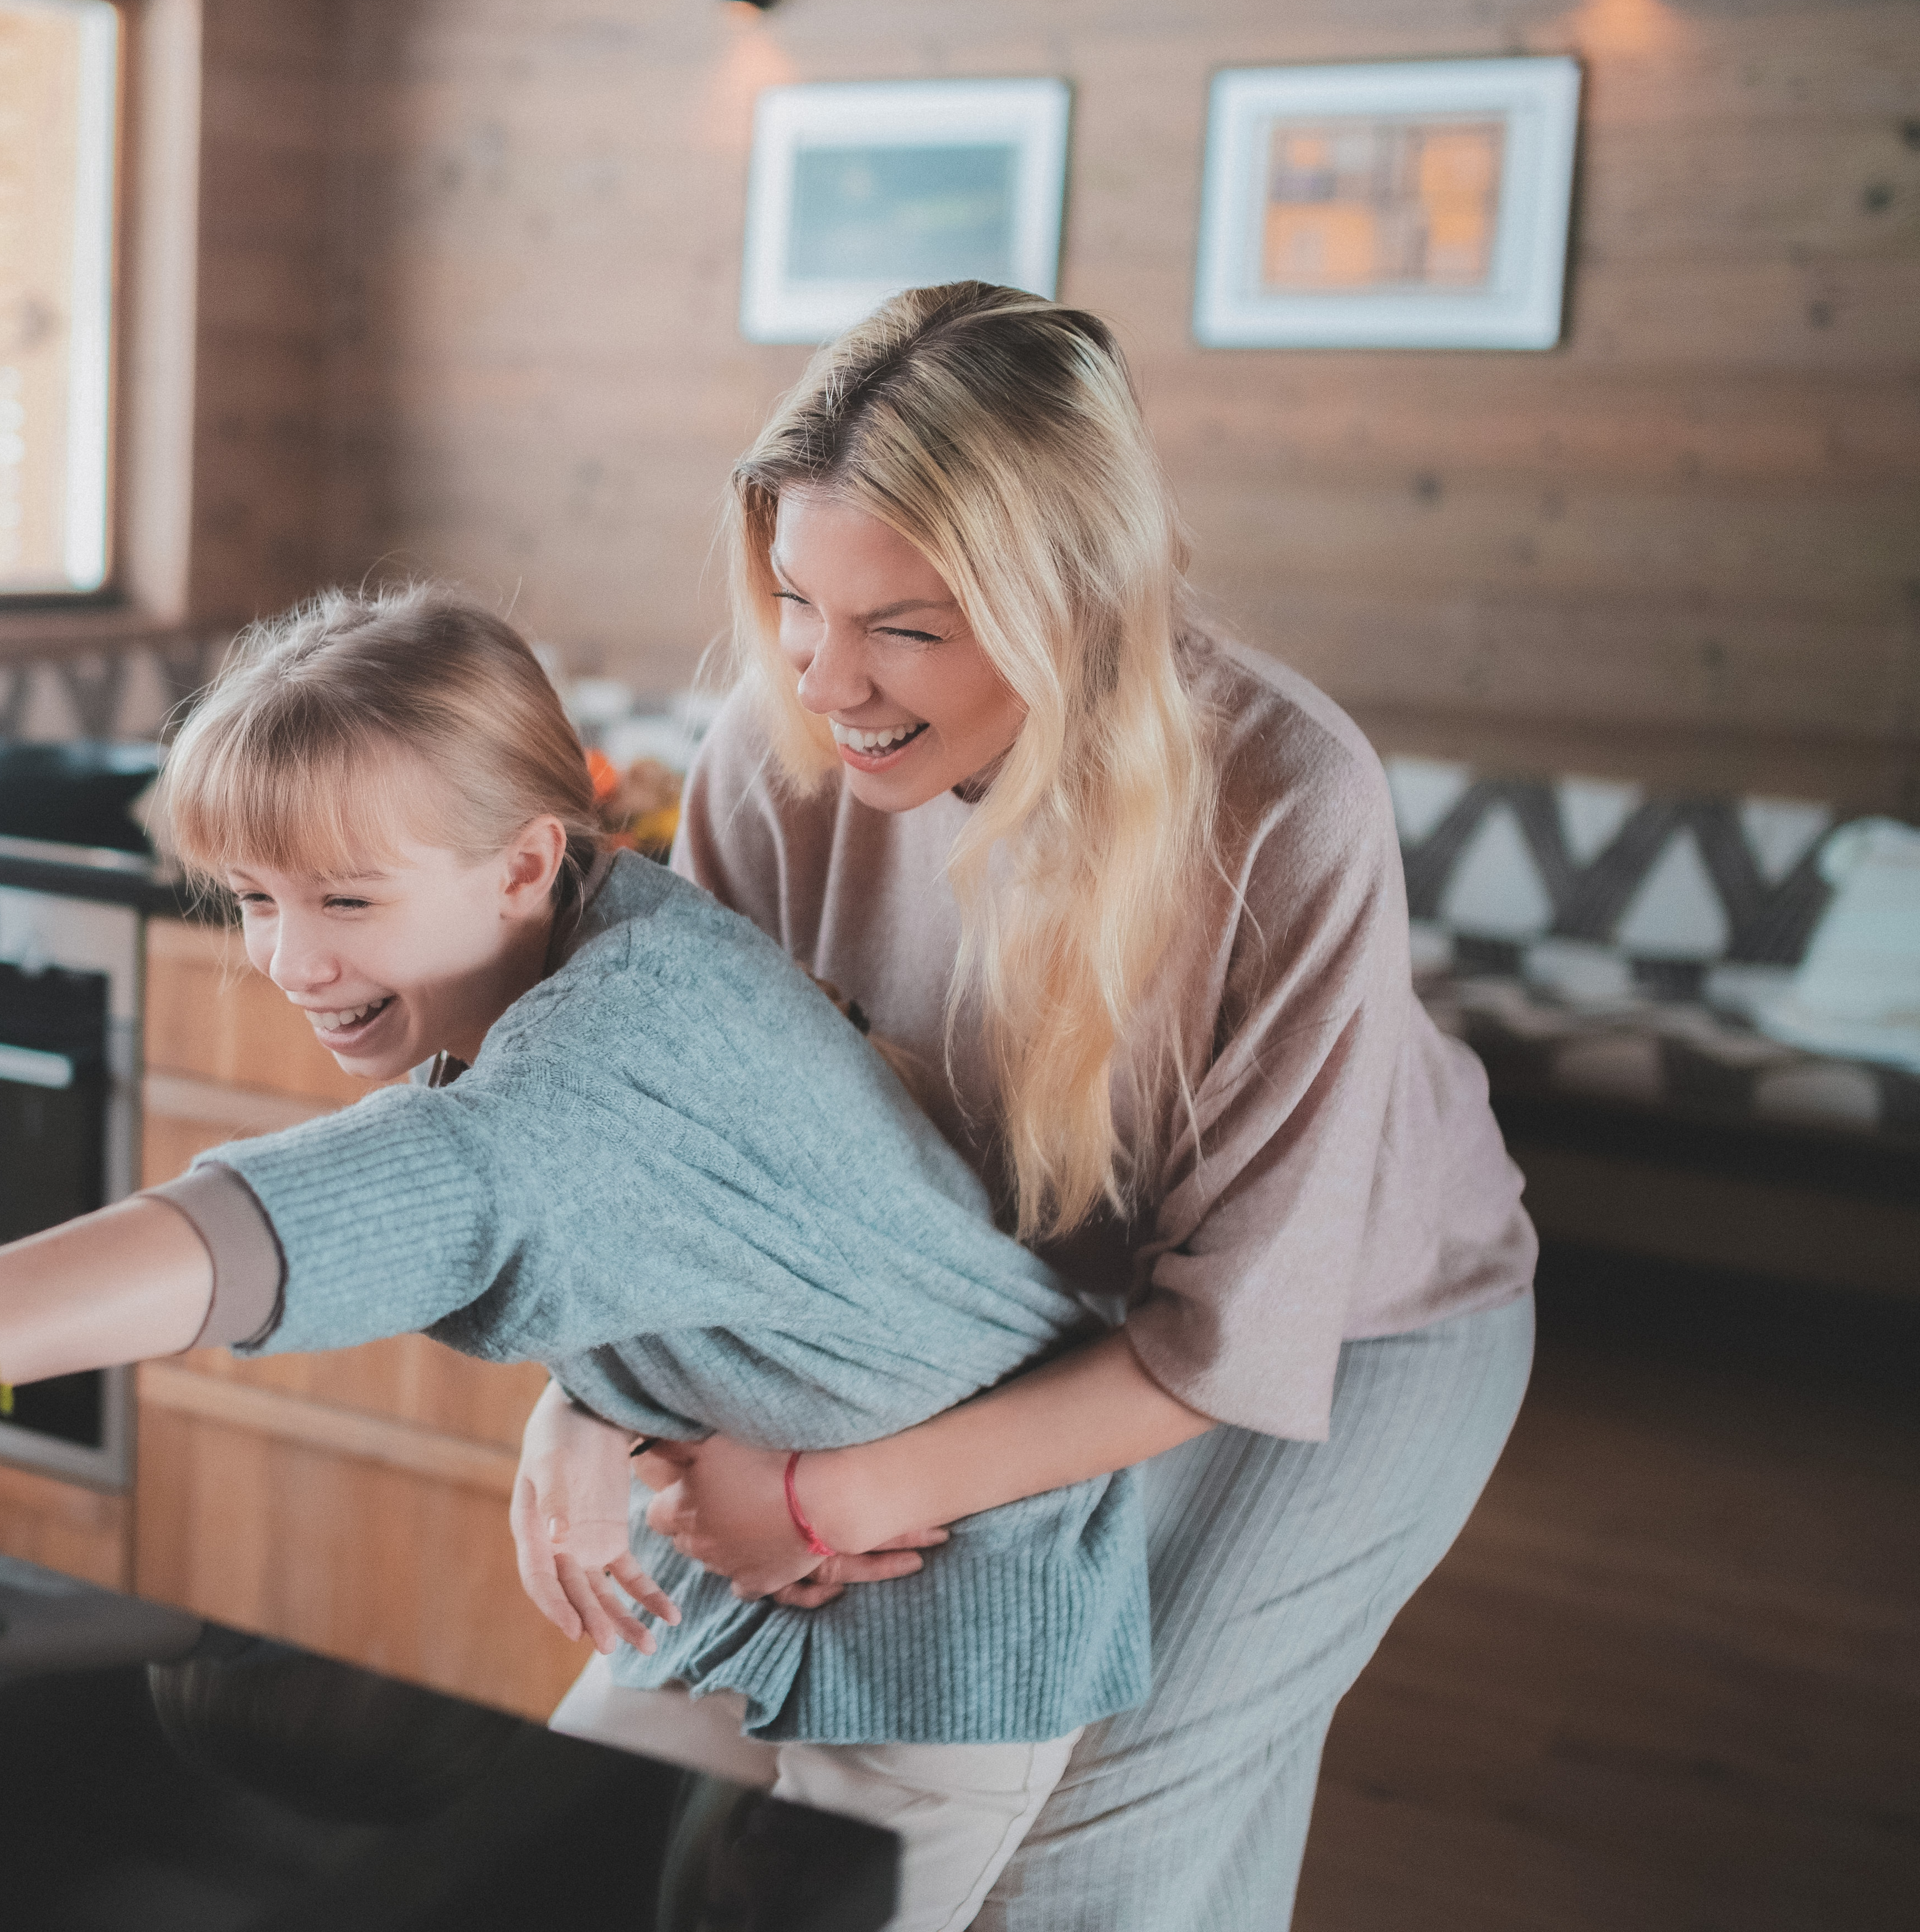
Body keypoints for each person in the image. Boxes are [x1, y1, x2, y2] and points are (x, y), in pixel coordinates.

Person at [0, 585, 1155, 1932]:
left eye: (345, 904)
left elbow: (349, 1203)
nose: (290, 960)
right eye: (254, 898)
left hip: (947, 1626)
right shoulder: (584, 941)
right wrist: (591, 1411)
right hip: (745, 1580)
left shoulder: (622, 1042)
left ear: (526, 860)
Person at [508, 281, 1539, 1931]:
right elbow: (671, 1154)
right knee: (719, 1753)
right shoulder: (775, 761)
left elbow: (1224, 1339)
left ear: (1074, 598)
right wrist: (581, 1409)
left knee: (1097, 1837)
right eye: (796, 601)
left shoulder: (1287, 798)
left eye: (907, 628)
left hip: (1349, 1327)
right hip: (994, 1314)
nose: (830, 680)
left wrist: (825, 1500)